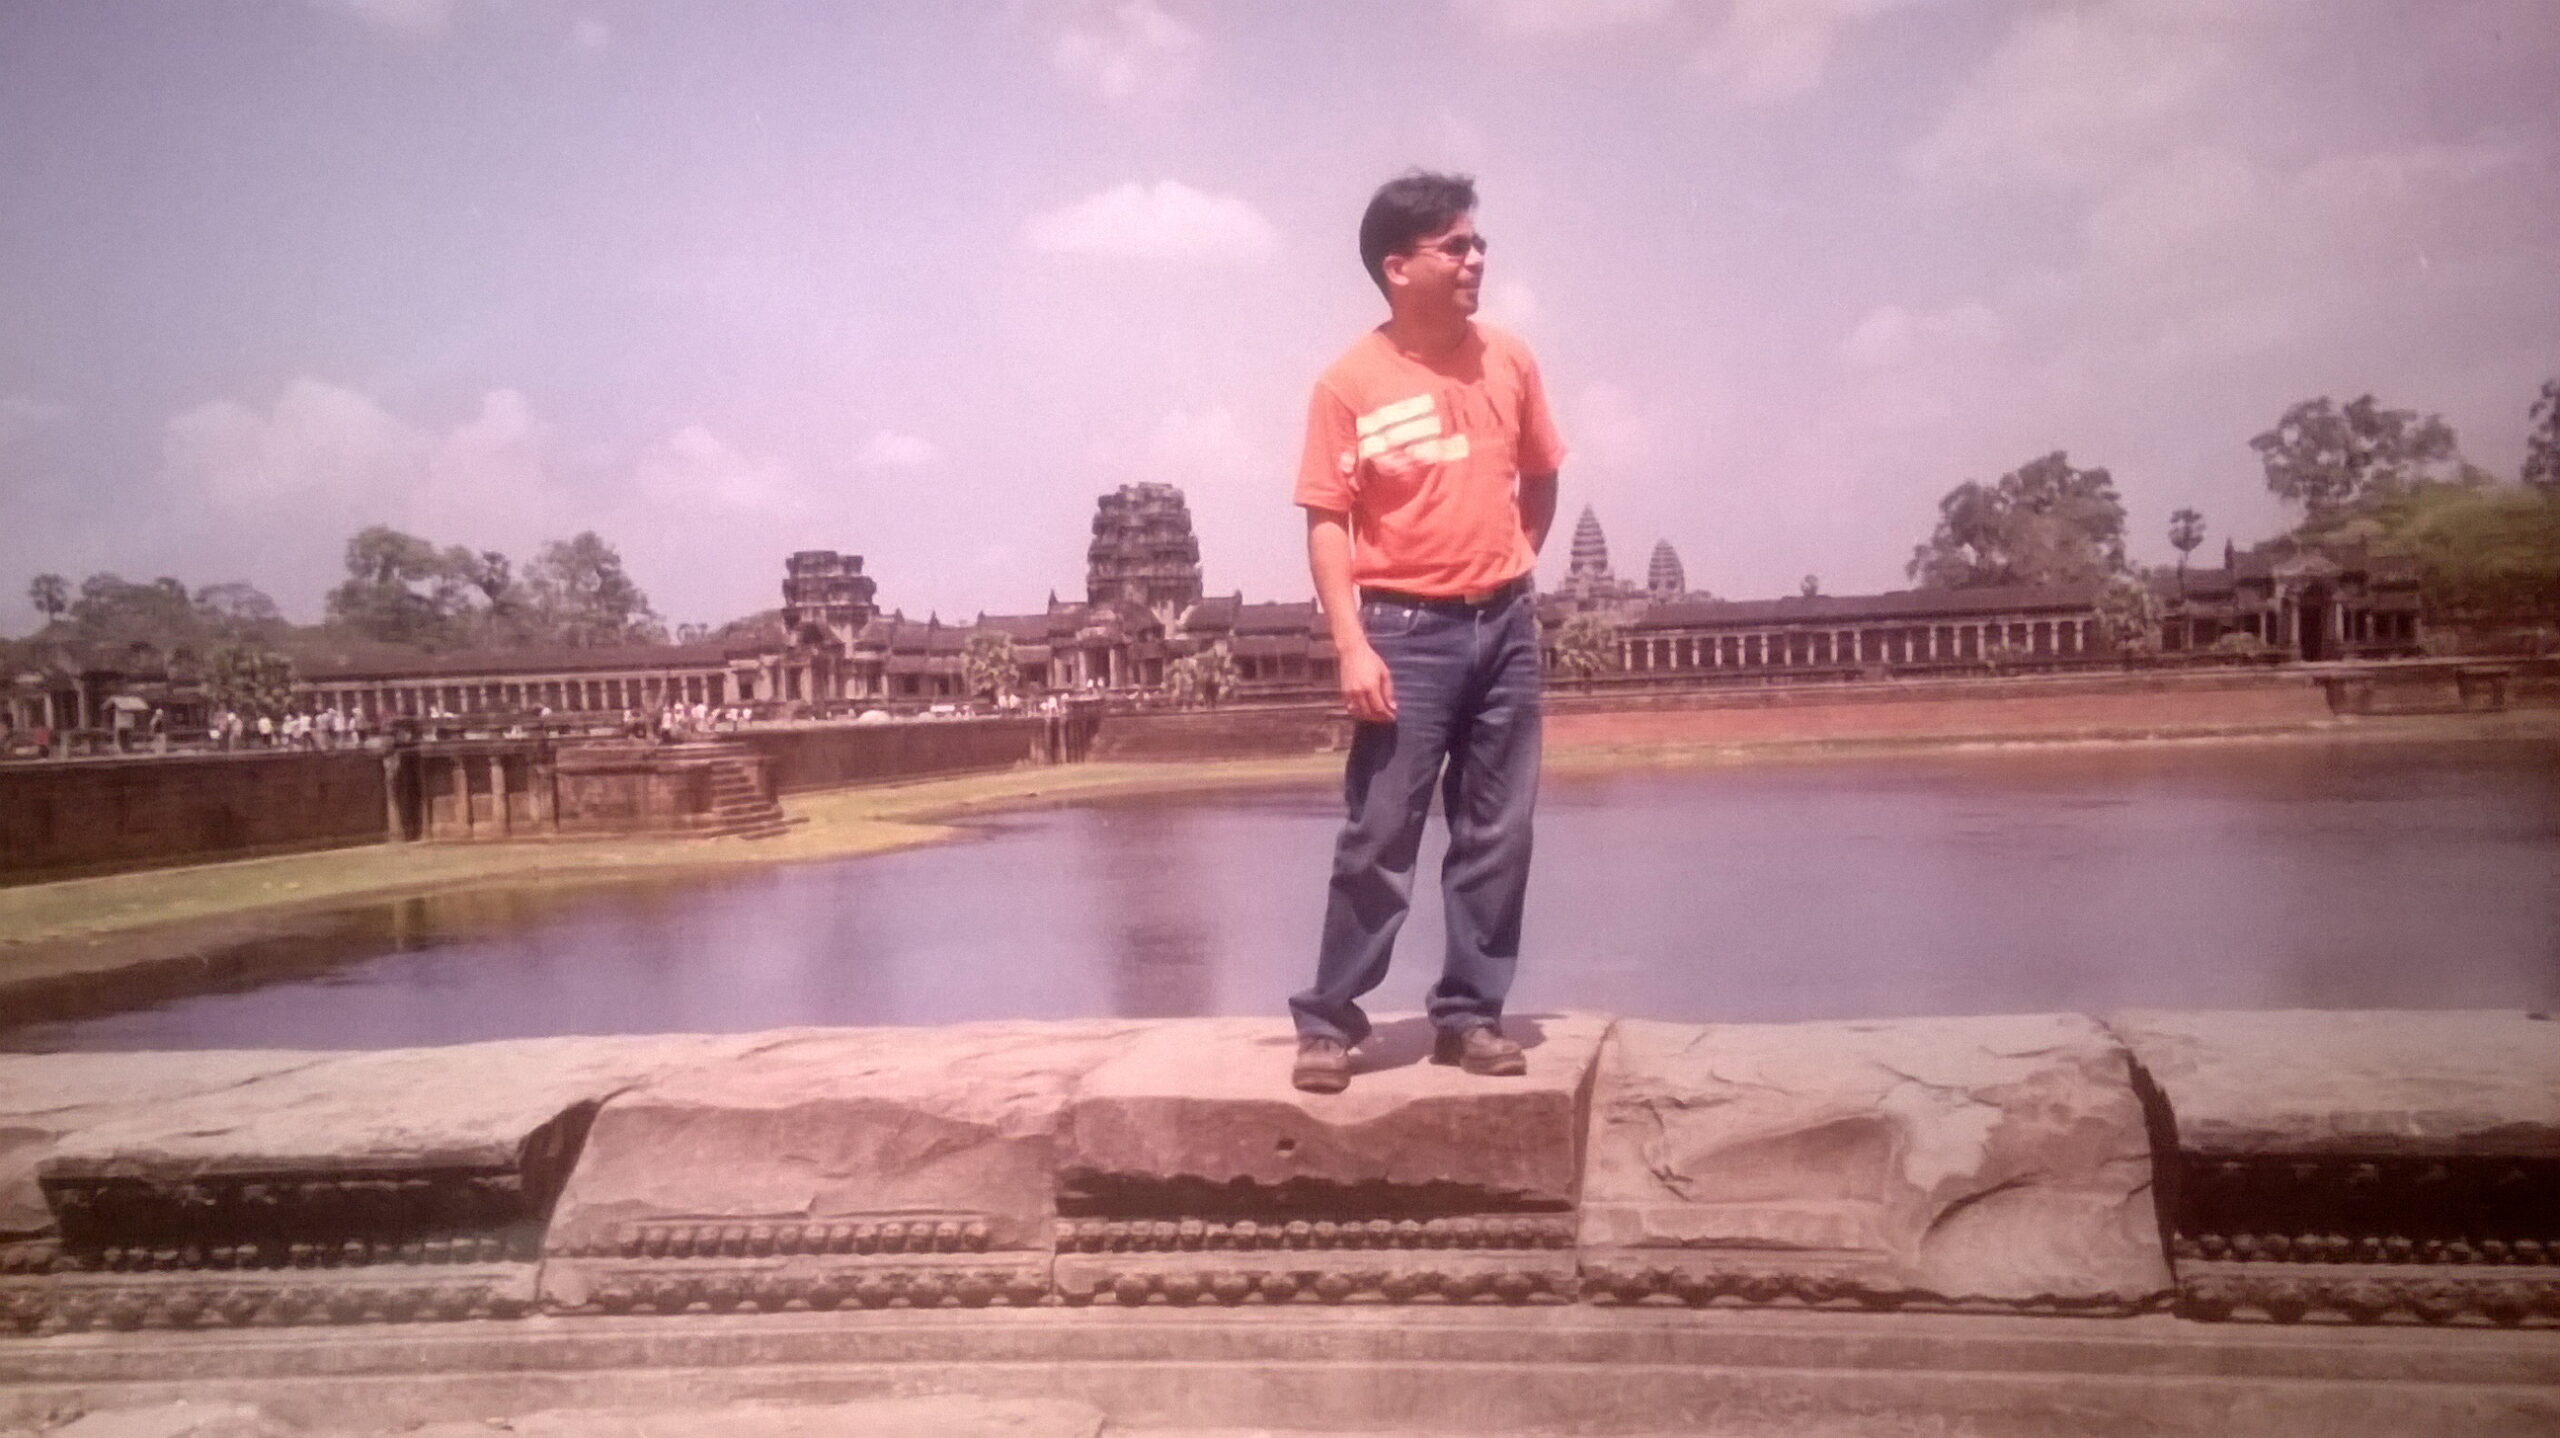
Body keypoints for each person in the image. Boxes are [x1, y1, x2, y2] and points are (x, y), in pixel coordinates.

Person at [1287, 170, 1565, 1094]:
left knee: (1499, 831)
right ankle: (1330, 1020)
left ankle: (1470, 1017)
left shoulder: (1511, 361)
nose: (1476, 257)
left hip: (1504, 630)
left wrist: (1512, 564)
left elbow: (1541, 474)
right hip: (1402, 632)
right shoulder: (1348, 384)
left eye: (1477, 243)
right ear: (1398, 267)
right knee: (1380, 832)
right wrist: (1352, 643)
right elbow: (1328, 520)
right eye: (1456, 246)